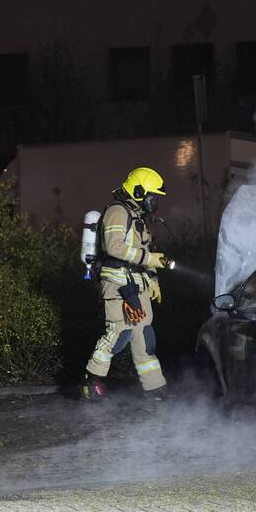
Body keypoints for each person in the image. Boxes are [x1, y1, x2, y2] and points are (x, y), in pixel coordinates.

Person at [81, 167, 171, 400]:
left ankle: (154, 386)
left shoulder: (137, 217)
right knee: (119, 333)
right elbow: (115, 247)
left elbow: (144, 251)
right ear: (139, 191)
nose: (155, 202)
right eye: (152, 196)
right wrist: (149, 259)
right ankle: (92, 380)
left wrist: (152, 278)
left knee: (144, 336)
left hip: (137, 284)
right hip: (117, 284)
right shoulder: (117, 213)